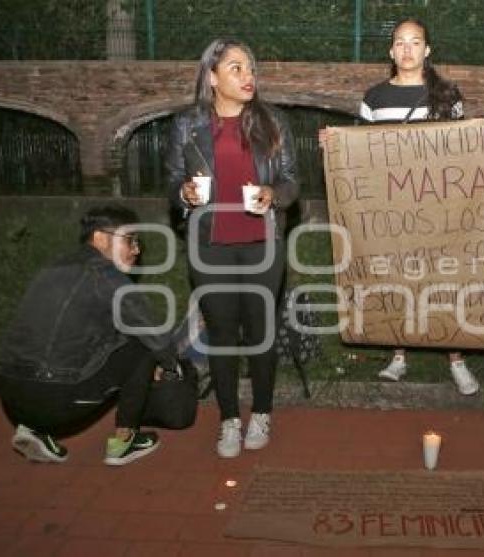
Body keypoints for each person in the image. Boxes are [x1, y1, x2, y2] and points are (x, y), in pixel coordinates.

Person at [323, 17, 484, 396]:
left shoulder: (446, 95)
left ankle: (456, 358)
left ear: (427, 50)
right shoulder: (375, 98)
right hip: (390, 209)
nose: (407, 49)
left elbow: (463, 146)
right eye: (400, 43)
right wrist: (335, 145)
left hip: (439, 208)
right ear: (391, 51)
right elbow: (361, 150)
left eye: (415, 42)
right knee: (394, 277)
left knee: (443, 278)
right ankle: (399, 354)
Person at [166, 38, 298, 458]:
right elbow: (171, 183)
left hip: (262, 244)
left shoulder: (273, 122)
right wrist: (184, 193)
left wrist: (272, 194)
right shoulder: (186, 125)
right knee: (221, 335)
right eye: (236, 68)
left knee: (260, 334)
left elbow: (292, 181)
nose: (248, 77)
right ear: (212, 77)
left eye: (250, 69)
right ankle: (228, 420)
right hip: (210, 247)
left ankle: (261, 412)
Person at [0, 205, 176, 466]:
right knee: (142, 348)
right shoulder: (106, 276)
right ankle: (125, 442)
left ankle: (36, 430)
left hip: (11, 394)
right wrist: (170, 367)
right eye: (130, 240)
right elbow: (154, 335)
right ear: (101, 238)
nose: (136, 250)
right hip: (55, 397)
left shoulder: (55, 265)